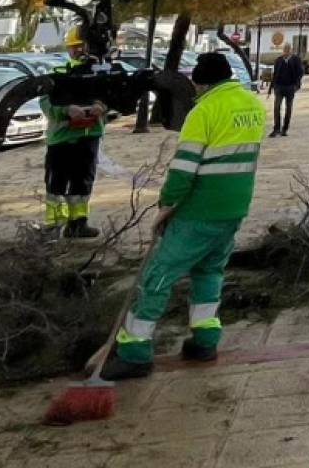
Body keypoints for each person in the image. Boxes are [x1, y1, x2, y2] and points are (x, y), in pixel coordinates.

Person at [101, 52, 266, 380]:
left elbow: (184, 167)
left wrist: (168, 203)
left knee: (158, 276)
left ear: (201, 83)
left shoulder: (204, 111)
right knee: (209, 271)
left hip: (199, 208)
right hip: (234, 207)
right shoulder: (253, 105)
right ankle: (205, 340)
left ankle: (134, 351)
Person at [40, 27, 107, 239]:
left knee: (83, 183)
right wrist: (66, 110)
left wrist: (101, 106)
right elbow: (46, 102)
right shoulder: (58, 74)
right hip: (62, 139)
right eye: (74, 47)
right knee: (56, 185)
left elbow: (111, 97)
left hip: (88, 138)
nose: (78, 50)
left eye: (81, 46)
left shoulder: (99, 73)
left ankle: (78, 225)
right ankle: (54, 226)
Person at [268, 42, 304, 137]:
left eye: (288, 50)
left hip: (290, 87)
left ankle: (285, 129)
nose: (286, 52)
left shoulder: (296, 60)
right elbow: (275, 74)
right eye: (284, 50)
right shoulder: (278, 60)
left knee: (288, 108)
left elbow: (300, 73)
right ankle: (276, 129)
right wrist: (272, 88)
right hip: (279, 87)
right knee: (277, 107)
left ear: (291, 50)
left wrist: (295, 85)